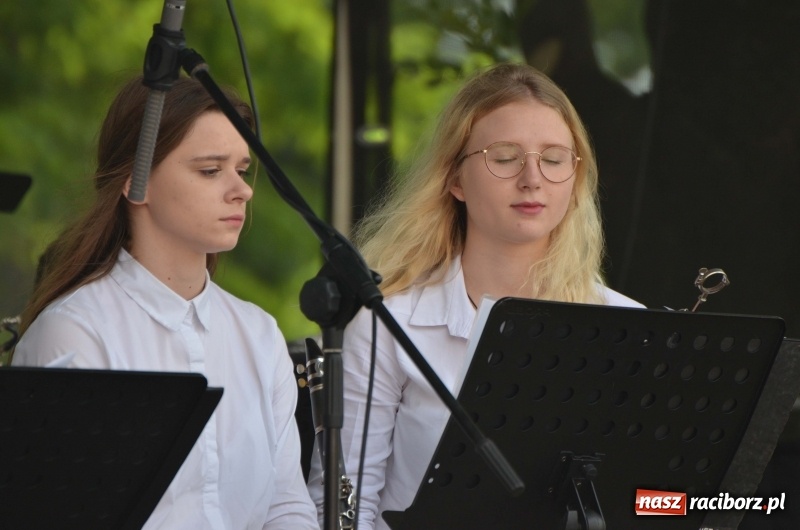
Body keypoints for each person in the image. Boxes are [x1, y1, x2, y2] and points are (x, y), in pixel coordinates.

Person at [306, 62, 644, 529]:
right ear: (455, 179)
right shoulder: (386, 322)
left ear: (576, 177)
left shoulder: (628, 324)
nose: (532, 178)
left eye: (553, 158)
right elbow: (343, 510)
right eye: (504, 157)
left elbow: (650, 501)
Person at [11, 74, 319, 529]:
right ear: (137, 183)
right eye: (211, 170)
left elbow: (286, 507)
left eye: (242, 168)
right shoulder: (74, 333)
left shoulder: (258, 333)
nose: (242, 189)